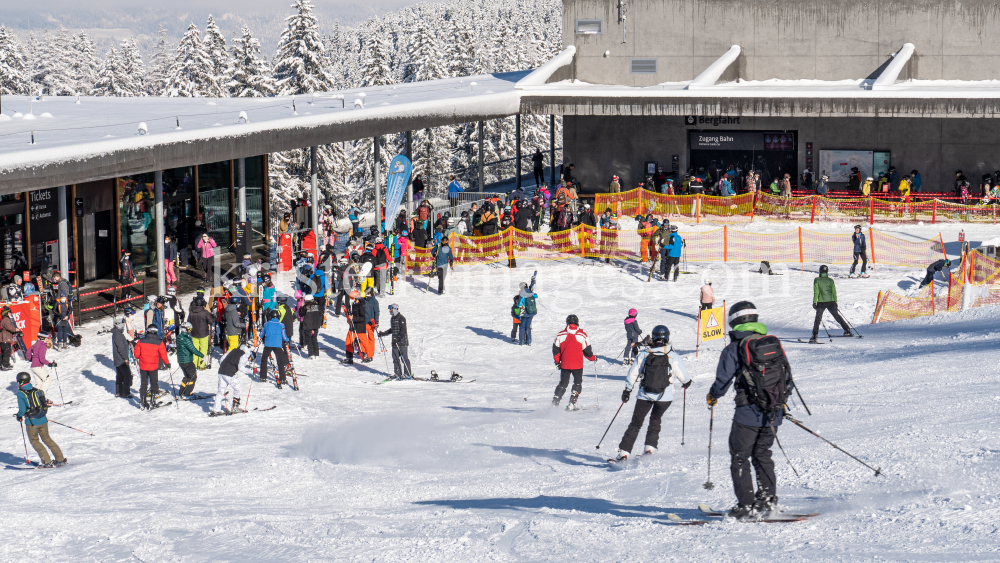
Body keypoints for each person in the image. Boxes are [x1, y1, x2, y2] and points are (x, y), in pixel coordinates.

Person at [706, 301, 795, 519]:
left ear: (735, 320)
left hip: (748, 413)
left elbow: (723, 380)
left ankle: (746, 505)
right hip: (774, 413)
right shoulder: (771, 343)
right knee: (762, 454)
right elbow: (788, 378)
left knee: (740, 456)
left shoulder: (734, 347)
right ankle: (767, 501)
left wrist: (713, 396)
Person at [612, 325, 692, 462]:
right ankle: (649, 449)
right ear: (667, 337)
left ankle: (624, 453)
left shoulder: (644, 354)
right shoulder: (672, 355)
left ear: (653, 337)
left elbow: (633, 374)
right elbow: (684, 377)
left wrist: (627, 390)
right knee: (655, 419)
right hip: (665, 397)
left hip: (645, 395)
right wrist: (686, 383)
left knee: (636, 423)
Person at [15, 372, 66, 468]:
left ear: (21, 382)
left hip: (32, 422)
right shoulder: (37, 390)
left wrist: (19, 415)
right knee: (47, 439)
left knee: (34, 441)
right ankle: (60, 459)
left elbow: (22, 409)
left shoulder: (21, 394)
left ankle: (46, 462)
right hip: (43, 419)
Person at [551, 314, 596, 411]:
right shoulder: (582, 335)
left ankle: (555, 403)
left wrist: (557, 361)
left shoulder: (560, 334)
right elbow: (587, 351)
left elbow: (556, 350)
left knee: (563, 383)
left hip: (565, 364)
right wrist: (593, 358)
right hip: (577, 365)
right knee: (577, 383)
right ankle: (572, 403)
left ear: (567, 322)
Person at [810, 265, 853, 343]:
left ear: (820, 271)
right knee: (837, 316)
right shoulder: (830, 280)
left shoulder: (817, 280)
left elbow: (816, 292)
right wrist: (835, 302)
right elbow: (834, 292)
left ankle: (814, 335)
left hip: (821, 302)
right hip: (831, 302)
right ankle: (847, 330)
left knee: (818, 319)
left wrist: (814, 302)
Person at [133, 324, 170, 409]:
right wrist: (167, 363)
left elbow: (137, 355)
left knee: (144, 384)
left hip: (143, 366)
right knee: (154, 383)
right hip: (153, 366)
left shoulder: (140, 341)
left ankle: (143, 401)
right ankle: (153, 400)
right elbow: (163, 355)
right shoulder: (159, 342)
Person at [212, 345, 250, 415]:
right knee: (238, 388)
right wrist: (251, 371)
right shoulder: (245, 355)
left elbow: (222, 358)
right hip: (229, 373)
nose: (249, 360)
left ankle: (216, 409)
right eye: (250, 359)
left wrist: (224, 367)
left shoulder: (233, 350)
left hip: (221, 372)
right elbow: (241, 368)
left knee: (220, 392)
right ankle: (235, 408)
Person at [378, 303, 411, 379]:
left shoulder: (401, 318)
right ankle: (397, 373)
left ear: (395, 309)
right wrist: (383, 333)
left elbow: (403, 331)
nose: (390, 311)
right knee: (395, 358)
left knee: (404, 358)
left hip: (402, 342)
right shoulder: (392, 318)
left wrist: (398, 338)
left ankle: (407, 374)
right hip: (394, 342)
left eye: (391, 309)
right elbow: (392, 330)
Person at [259, 310, 291, 387]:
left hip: (268, 344)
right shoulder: (281, 325)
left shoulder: (266, 324)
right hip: (278, 345)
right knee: (280, 362)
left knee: (264, 360)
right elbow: (284, 336)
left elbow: (261, 334)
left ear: (270, 316)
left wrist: (261, 338)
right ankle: (283, 378)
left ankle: (263, 376)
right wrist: (287, 340)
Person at [175, 322, 204, 397]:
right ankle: (188, 394)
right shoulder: (186, 339)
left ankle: (181, 393)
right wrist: (202, 355)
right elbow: (193, 349)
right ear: (186, 329)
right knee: (192, 377)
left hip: (181, 361)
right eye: (190, 329)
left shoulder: (179, 337)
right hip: (188, 361)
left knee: (187, 376)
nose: (190, 331)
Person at [340, 290, 369, 364]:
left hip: (360, 327)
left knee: (364, 342)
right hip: (353, 327)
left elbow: (362, 318)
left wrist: (354, 318)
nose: (352, 299)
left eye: (352, 298)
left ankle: (369, 356)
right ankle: (349, 358)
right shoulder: (354, 304)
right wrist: (350, 318)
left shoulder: (361, 305)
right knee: (348, 342)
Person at [187, 296, 214, 370]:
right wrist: (213, 317)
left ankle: (194, 364)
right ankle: (202, 365)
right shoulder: (205, 312)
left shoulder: (191, 312)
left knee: (195, 349)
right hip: (203, 333)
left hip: (194, 333)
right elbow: (211, 321)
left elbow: (188, 322)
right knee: (203, 349)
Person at [111, 320, 133, 398]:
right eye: (121, 324)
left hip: (118, 359)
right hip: (121, 360)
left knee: (120, 376)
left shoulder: (117, 333)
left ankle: (119, 392)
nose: (123, 325)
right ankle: (126, 392)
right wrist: (125, 358)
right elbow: (121, 348)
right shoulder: (118, 334)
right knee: (127, 375)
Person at [302, 294, 324, 359]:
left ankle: (311, 354)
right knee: (314, 338)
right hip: (315, 325)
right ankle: (316, 354)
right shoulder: (317, 306)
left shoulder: (305, 307)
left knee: (309, 339)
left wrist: (301, 307)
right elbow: (321, 314)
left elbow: (301, 314)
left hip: (308, 325)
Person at [0, 306, 18, 370]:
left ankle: (2, 364)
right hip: (6, 338)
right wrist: (16, 329)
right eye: (10, 313)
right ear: (6, 313)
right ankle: (5, 365)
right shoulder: (6, 319)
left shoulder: (3, 319)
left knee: (3, 352)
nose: (11, 314)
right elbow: (9, 327)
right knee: (7, 352)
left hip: (3, 338)